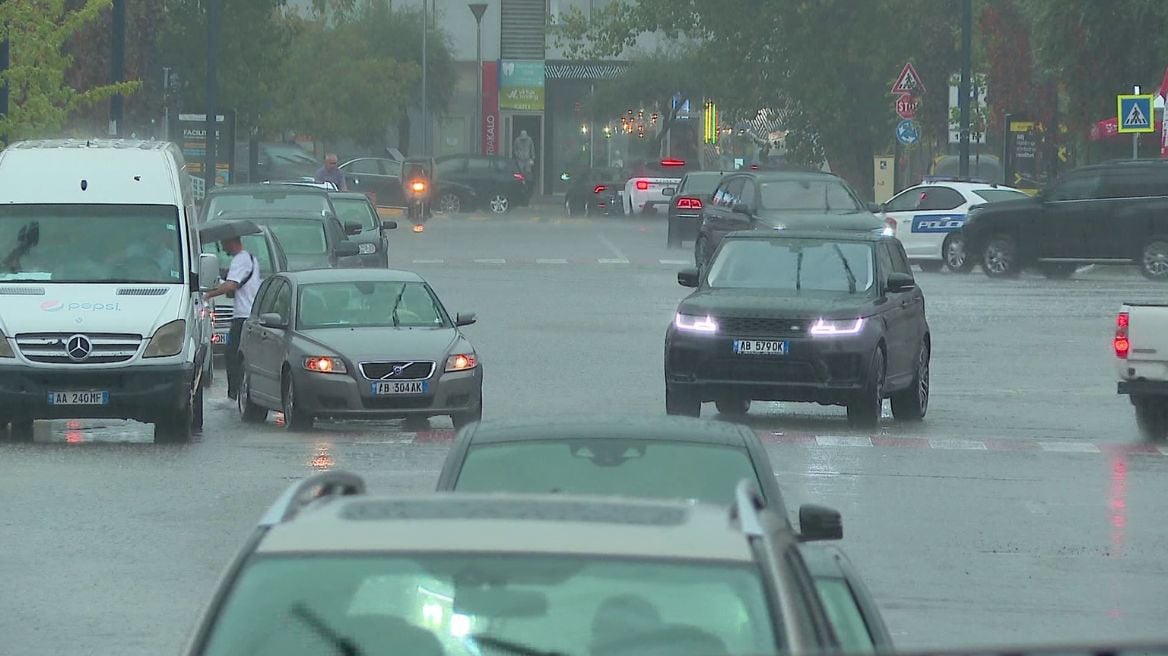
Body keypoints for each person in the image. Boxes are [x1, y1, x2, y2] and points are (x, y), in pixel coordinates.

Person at [203, 236, 262, 400]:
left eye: (223, 243)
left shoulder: (240, 259)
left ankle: (235, 393)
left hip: (243, 316)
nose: (222, 248)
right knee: (242, 355)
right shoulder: (251, 259)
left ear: (231, 241)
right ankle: (242, 391)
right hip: (250, 314)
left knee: (232, 354)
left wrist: (208, 294)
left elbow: (231, 285)